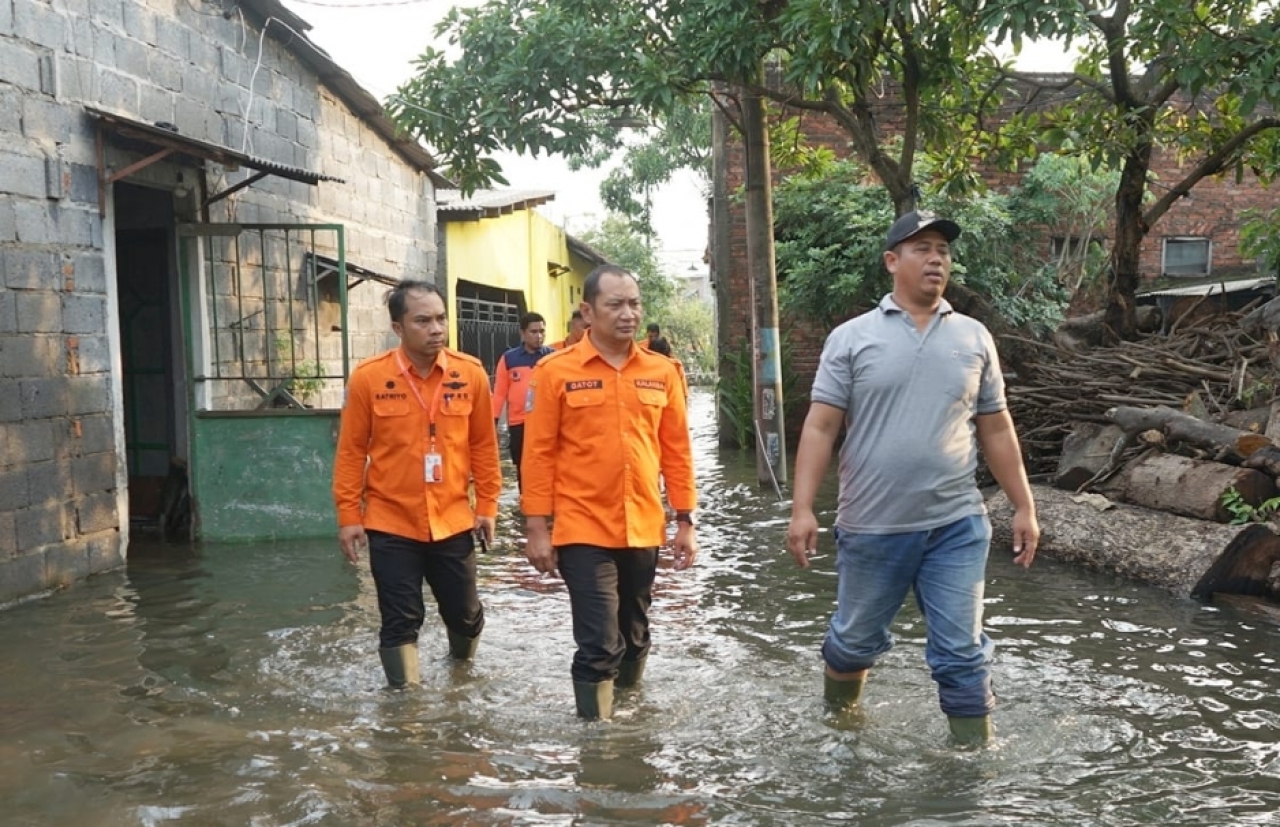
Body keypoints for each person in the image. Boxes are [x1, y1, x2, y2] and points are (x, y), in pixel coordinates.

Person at [784, 210, 1040, 744]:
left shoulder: (973, 337)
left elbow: (995, 428)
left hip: (956, 523)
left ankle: (971, 770)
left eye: (943, 249)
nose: (936, 258)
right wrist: (803, 508)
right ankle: (841, 732)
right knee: (855, 642)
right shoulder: (852, 338)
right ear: (891, 261)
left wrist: (1024, 505)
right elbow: (820, 426)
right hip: (873, 524)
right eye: (922, 247)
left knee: (962, 652)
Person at [521, 264, 699, 721]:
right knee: (599, 641)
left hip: (642, 525)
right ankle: (596, 745)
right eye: (615, 304)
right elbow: (537, 454)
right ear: (588, 310)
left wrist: (685, 521)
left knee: (635, 633)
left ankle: (630, 718)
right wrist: (537, 527)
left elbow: (677, 451)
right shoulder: (555, 372)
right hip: (581, 527)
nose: (628, 314)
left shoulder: (662, 372)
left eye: (634, 304)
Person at [333, 280, 502, 689]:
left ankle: (461, 676)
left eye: (441, 318)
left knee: (464, 612)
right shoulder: (369, 379)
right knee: (400, 619)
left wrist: (488, 508)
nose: (436, 329)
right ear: (398, 327)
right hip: (391, 521)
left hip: (453, 519)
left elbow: (484, 446)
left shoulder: (471, 373)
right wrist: (348, 516)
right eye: (423, 320)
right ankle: (405, 713)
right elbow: (352, 451)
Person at [492, 312, 553, 491]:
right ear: (523, 333)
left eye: (542, 331)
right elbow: (499, 392)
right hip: (519, 422)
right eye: (533, 332)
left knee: (548, 463)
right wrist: (493, 422)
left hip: (546, 422)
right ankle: (525, 502)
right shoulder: (509, 359)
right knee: (521, 465)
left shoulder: (553, 358)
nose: (539, 336)